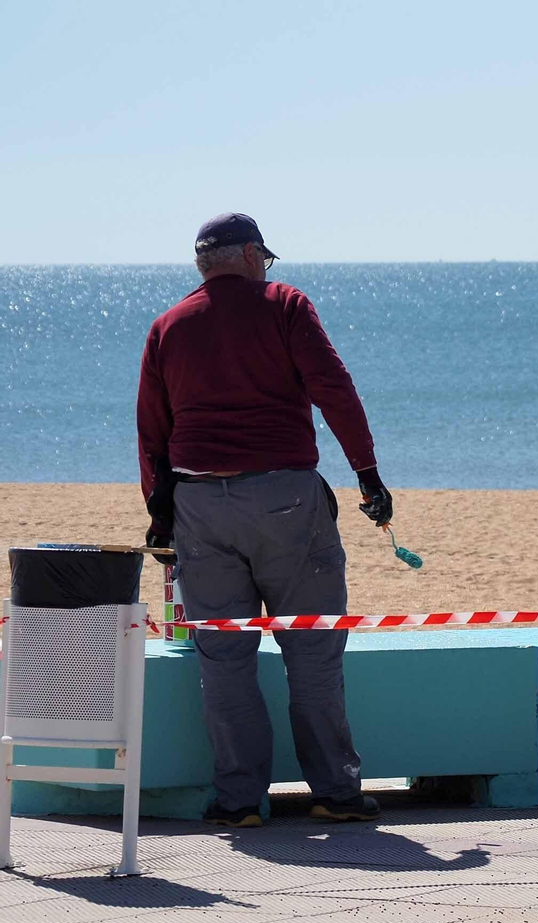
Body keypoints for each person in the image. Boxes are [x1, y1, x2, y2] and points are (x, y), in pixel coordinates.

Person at [137, 213, 394, 828]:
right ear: (252, 256)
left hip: (199, 505)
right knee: (313, 648)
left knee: (223, 659)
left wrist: (160, 514)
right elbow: (334, 389)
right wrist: (366, 473)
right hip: (286, 499)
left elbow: (152, 431)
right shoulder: (285, 305)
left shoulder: (168, 326)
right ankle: (334, 792)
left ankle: (240, 801)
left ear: (203, 265)